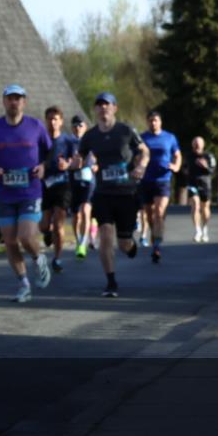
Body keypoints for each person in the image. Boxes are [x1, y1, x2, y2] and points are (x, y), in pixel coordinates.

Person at [0, 85, 53, 303]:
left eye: (18, 98)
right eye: (10, 98)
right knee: (10, 242)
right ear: (4, 102)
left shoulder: (36, 126)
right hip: (4, 194)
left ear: (24, 102)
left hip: (30, 192)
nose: (14, 102)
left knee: (26, 237)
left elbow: (51, 152)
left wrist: (44, 166)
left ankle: (39, 259)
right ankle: (23, 284)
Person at [78, 92, 149, 298]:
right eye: (99, 105)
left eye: (107, 104)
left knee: (124, 244)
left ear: (114, 108)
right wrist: (71, 163)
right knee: (106, 236)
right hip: (103, 194)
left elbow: (144, 151)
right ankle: (111, 282)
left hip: (127, 193)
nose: (103, 108)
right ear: (95, 110)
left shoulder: (126, 130)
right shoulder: (90, 136)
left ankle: (130, 244)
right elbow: (79, 157)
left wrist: (141, 166)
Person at [138, 110, 181, 263]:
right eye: (150, 120)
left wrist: (176, 166)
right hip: (146, 180)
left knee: (159, 211)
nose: (153, 123)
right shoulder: (142, 138)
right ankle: (155, 235)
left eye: (155, 120)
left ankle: (156, 246)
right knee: (149, 214)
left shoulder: (169, 137)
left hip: (163, 179)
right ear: (147, 122)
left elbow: (177, 155)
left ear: (160, 122)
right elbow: (136, 155)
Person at [39, 106, 78, 274]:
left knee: (58, 223)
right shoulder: (41, 140)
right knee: (44, 225)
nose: (52, 122)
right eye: (49, 119)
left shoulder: (68, 141)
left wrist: (67, 164)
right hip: (45, 185)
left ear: (61, 121)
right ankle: (47, 233)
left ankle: (57, 258)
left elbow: (77, 162)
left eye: (55, 119)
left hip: (63, 185)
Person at [69, 115, 95, 258]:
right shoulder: (68, 142)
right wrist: (69, 164)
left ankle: (83, 243)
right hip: (73, 181)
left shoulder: (92, 141)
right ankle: (78, 239)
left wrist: (96, 164)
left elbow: (100, 157)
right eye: (75, 125)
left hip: (89, 180)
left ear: (85, 127)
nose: (78, 128)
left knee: (85, 210)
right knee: (76, 215)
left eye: (80, 125)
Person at [185, 136, 217, 242]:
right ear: (192, 145)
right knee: (195, 205)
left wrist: (205, 166)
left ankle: (205, 228)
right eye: (195, 143)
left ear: (203, 145)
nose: (197, 145)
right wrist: (186, 172)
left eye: (199, 143)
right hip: (192, 184)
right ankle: (197, 230)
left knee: (205, 208)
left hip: (205, 184)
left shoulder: (209, 156)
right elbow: (184, 168)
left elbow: (212, 170)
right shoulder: (189, 156)